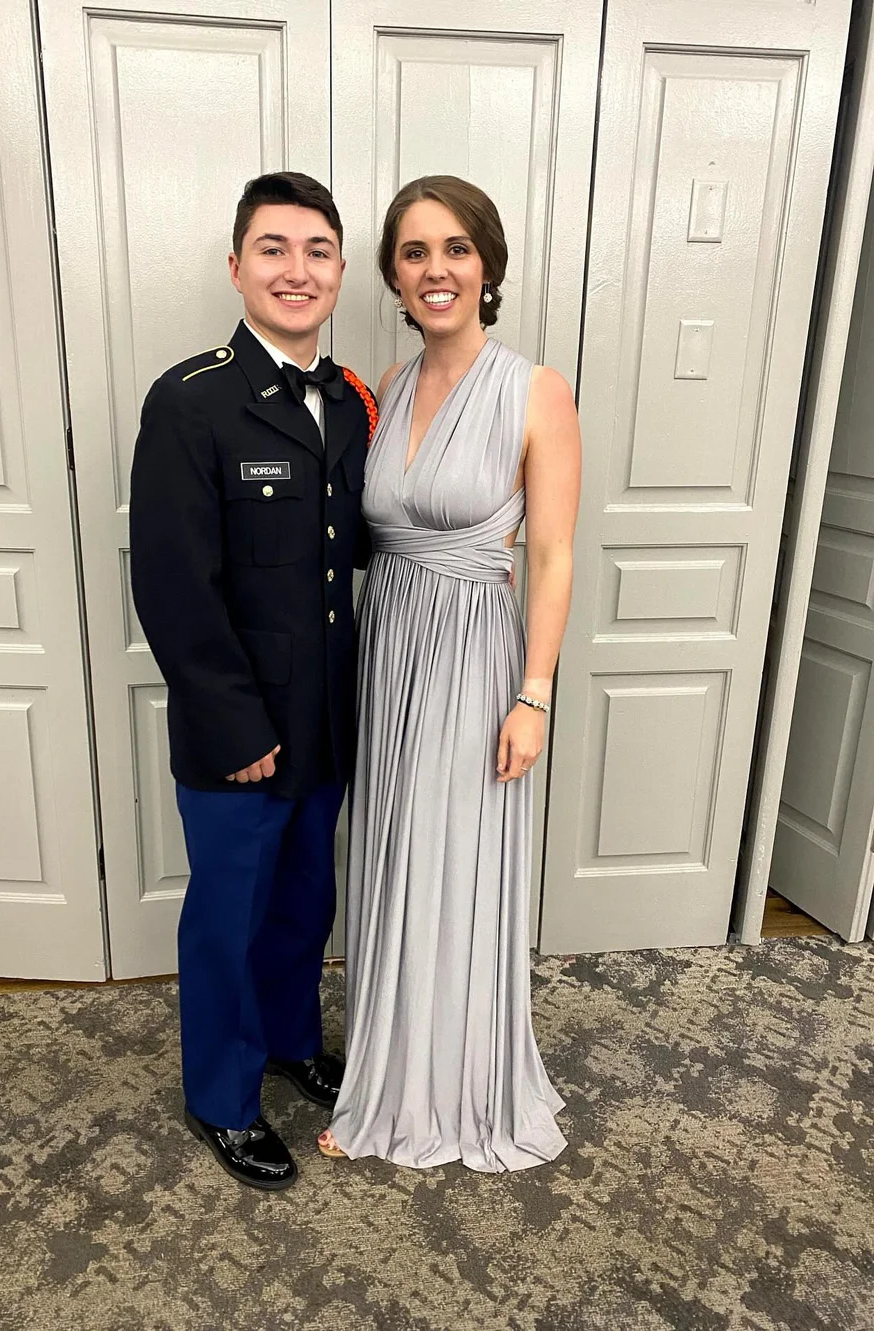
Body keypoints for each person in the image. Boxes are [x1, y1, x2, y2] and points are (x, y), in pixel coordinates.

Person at [319, 176, 581, 1171]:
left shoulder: (533, 388)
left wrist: (533, 693)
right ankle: (387, 1079)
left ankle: (457, 1088)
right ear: (391, 271)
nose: (437, 269)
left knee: (451, 855)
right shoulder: (383, 387)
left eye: (457, 248)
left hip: (475, 657)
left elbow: (551, 553)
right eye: (416, 251)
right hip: (388, 653)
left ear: (487, 264)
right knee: (390, 855)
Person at [129, 172, 376, 1191]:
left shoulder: (352, 401)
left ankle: (286, 1039)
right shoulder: (191, 402)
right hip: (237, 727)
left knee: (302, 900)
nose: (296, 268)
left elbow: (361, 546)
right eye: (273, 248)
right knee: (227, 914)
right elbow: (173, 584)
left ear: (339, 272)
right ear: (236, 268)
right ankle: (222, 1095)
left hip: (324, 714)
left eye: (316, 249)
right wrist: (235, 723)